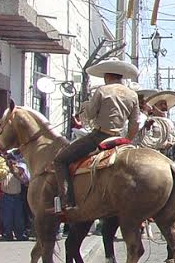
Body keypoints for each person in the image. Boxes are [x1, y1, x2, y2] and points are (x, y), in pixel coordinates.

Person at [54, 58, 140, 213]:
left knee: (60, 160)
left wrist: (84, 107)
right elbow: (135, 123)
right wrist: (128, 139)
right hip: (121, 139)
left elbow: (91, 114)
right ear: (120, 76)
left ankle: (67, 201)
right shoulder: (132, 95)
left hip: (100, 136)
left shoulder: (103, 90)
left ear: (107, 76)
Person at [0, 155, 29, 241]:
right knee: (6, 218)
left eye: (12, 161)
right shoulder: (3, 169)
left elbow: (24, 180)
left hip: (17, 196)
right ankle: (7, 235)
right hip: (6, 196)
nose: (11, 162)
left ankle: (20, 235)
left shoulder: (19, 169)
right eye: (9, 160)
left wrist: (13, 168)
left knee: (18, 218)